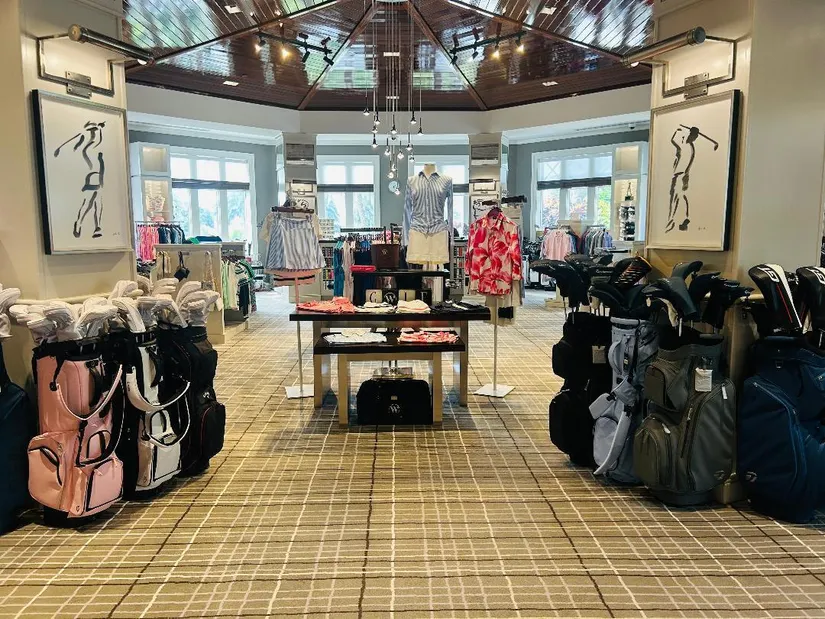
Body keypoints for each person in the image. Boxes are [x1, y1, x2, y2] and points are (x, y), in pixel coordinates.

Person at [54, 121, 106, 239]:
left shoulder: (95, 146)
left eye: (94, 131)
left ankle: (97, 227)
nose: (94, 133)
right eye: (91, 131)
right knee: (88, 204)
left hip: (98, 179)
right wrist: (98, 128)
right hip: (90, 180)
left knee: (98, 203)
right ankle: (79, 223)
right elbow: (95, 139)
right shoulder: (87, 148)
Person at [666, 124, 718, 233]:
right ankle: (684, 218)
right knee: (680, 196)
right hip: (682, 175)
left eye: (695, 137)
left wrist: (676, 131)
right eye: (694, 136)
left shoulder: (687, 147)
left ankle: (675, 220)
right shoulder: (689, 147)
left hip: (680, 175)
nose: (694, 138)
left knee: (676, 197)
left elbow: (673, 141)